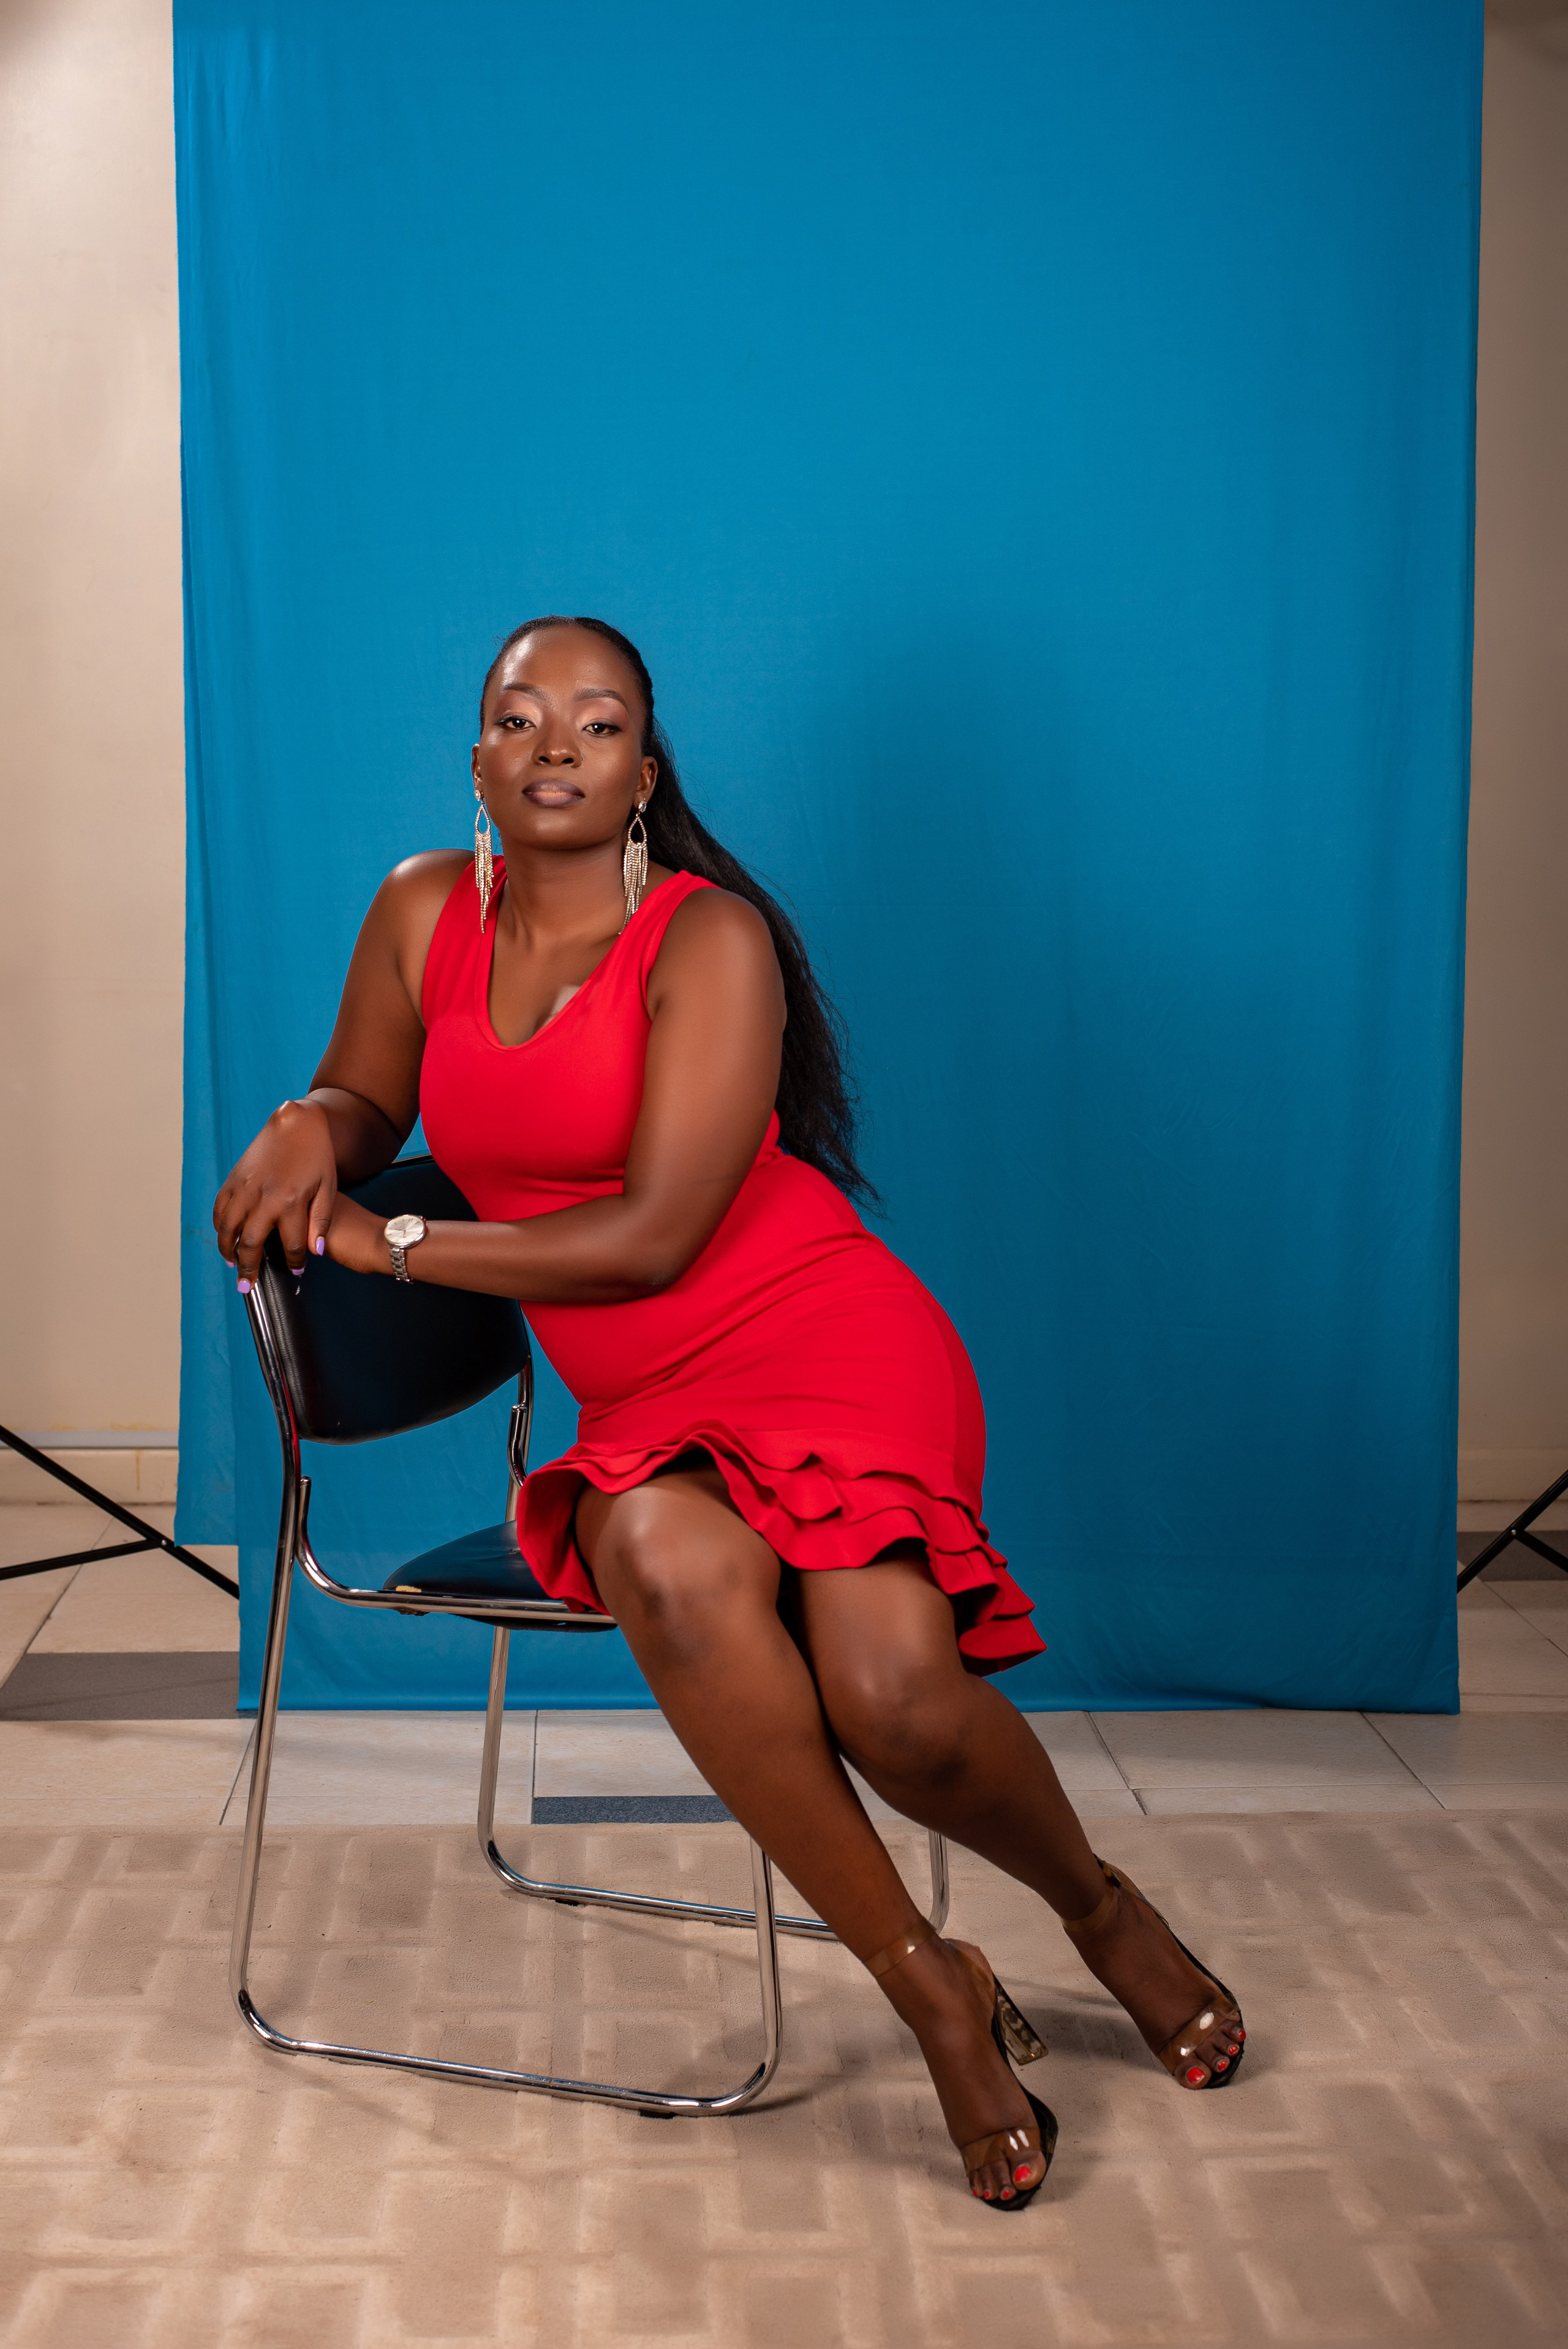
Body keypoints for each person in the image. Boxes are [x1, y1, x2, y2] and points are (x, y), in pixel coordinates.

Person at [214, 615, 1245, 2205]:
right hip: (645, 1401)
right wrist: (312, 1128)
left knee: (897, 1698)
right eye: (520, 715)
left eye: (599, 721)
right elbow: (369, 1092)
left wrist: (390, 1238)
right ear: (476, 754)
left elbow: (654, 1234)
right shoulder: (423, 912)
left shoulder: (710, 939)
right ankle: (926, 1983)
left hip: (821, 1339)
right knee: (670, 1569)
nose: (555, 741)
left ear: (644, 771)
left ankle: (1103, 1910)